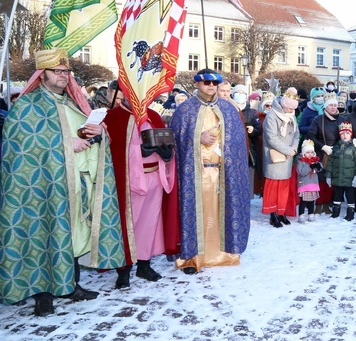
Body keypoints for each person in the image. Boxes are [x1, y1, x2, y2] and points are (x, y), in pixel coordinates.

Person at [0, 49, 125, 316]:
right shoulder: (27, 106)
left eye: (66, 71)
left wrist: (97, 134)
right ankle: (43, 296)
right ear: (41, 74)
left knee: (72, 235)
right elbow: (22, 146)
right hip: (44, 187)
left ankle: (70, 285)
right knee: (46, 232)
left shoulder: (74, 104)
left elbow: (89, 137)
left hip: (76, 183)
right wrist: (67, 144)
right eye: (56, 71)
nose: (63, 76)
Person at [171, 69, 251, 274]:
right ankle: (192, 257)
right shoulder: (185, 110)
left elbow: (238, 142)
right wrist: (197, 137)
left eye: (215, 83)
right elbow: (175, 140)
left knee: (220, 214)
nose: (211, 86)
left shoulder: (229, 109)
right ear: (197, 84)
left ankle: (224, 253)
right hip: (195, 175)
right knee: (196, 214)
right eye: (206, 82)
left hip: (224, 174)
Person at [104, 93, 180, 288]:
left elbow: (167, 144)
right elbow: (109, 150)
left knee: (150, 222)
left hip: (154, 176)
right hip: (128, 181)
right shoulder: (112, 117)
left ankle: (144, 263)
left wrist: (166, 153)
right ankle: (124, 269)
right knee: (129, 223)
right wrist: (138, 152)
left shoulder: (153, 116)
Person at [262, 88, 301, 227]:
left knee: (284, 187)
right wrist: (288, 150)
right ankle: (273, 214)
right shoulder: (272, 116)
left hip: (288, 156)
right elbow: (271, 137)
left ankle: (281, 212)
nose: (291, 111)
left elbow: (296, 134)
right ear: (283, 105)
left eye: (292, 108)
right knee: (273, 187)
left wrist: (294, 148)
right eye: (289, 108)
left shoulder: (292, 116)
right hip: (275, 157)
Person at [308, 92, 346, 214]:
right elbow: (311, 136)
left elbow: (347, 136)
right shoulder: (318, 120)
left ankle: (327, 204)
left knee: (331, 181)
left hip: (336, 154)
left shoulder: (343, 120)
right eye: (331, 105)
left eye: (335, 105)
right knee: (320, 180)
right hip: (321, 154)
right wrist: (323, 146)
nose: (333, 107)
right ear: (326, 106)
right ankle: (318, 204)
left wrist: (337, 148)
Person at [326, 122, 356, 221]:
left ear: (351, 134)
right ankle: (335, 212)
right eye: (342, 133)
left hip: (350, 179)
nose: (344, 136)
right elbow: (330, 162)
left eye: (347, 133)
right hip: (337, 178)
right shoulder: (336, 147)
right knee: (337, 195)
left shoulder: (355, 148)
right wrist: (328, 176)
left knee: (350, 196)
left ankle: (350, 213)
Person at [232, 84, 261, 193]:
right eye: (237, 93)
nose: (240, 95)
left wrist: (253, 130)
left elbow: (258, 130)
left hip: (247, 149)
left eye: (242, 93)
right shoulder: (228, 108)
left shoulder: (252, 112)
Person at [296, 139, 323, 223]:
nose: (310, 154)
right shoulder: (301, 161)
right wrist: (310, 166)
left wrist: (318, 166)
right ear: (304, 153)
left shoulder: (315, 160)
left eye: (312, 152)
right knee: (303, 201)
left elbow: (319, 168)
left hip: (313, 184)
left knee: (312, 201)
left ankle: (311, 213)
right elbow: (301, 172)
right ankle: (301, 214)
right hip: (304, 184)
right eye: (308, 152)